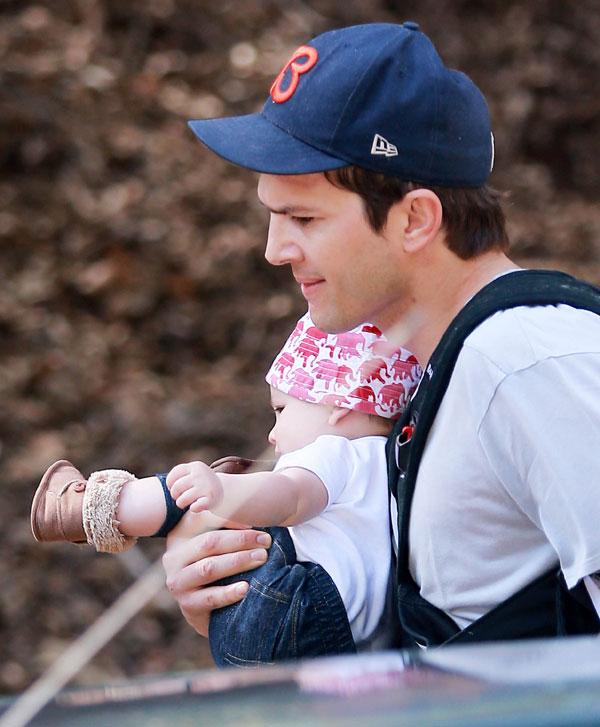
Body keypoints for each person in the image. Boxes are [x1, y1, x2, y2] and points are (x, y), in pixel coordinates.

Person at [162, 21, 600, 645]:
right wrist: (247, 600)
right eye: (271, 216)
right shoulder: (439, 370)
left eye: (303, 218)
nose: (274, 250)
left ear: (416, 218)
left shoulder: (527, 363)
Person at [31, 312, 421, 663]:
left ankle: (92, 508)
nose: (272, 433)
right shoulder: (395, 466)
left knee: (191, 495)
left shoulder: (335, 453)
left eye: (282, 410)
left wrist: (222, 491)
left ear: (340, 402)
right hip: (349, 647)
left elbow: (292, 496)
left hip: (289, 615)